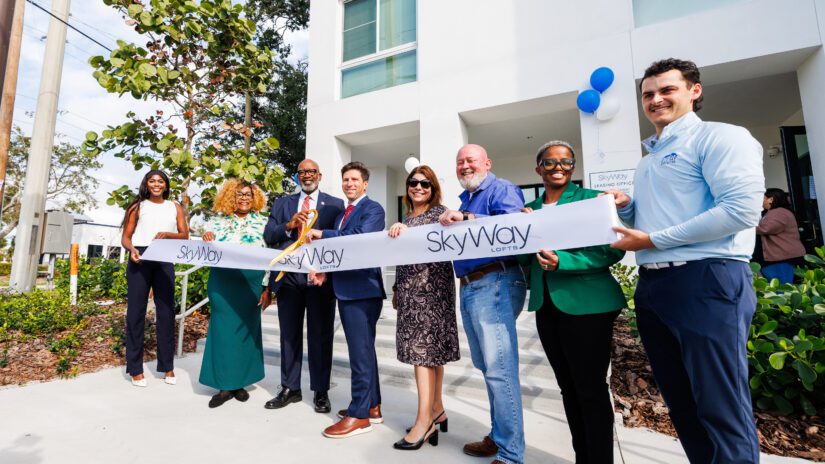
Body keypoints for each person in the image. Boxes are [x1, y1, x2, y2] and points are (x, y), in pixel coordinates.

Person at [606, 58, 764, 463]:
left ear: (694, 91)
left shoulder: (722, 138)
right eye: (648, 94)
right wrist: (627, 210)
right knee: (683, 404)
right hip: (655, 287)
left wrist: (653, 239)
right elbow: (656, 219)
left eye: (666, 90)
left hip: (707, 279)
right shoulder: (649, 159)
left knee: (720, 406)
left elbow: (740, 211)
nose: (655, 99)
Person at [518, 141, 625, 463]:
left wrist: (563, 261)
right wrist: (521, 231)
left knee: (590, 389)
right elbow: (525, 259)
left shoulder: (593, 200)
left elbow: (613, 249)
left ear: (573, 165)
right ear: (539, 169)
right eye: (549, 163)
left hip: (589, 305)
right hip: (547, 306)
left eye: (566, 162)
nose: (558, 167)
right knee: (568, 388)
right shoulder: (530, 208)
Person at [439, 144, 527, 464]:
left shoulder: (501, 189)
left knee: (500, 370)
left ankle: (511, 455)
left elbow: (514, 227)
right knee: (489, 368)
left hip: (497, 280)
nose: (464, 166)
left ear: (486, 163)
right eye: (460, 161)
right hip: (471, 286)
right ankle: (499, 437)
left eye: (471, 160)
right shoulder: (466, 198)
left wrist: (466, 217)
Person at [306, 161, 387, 439]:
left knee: (359, 353)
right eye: (346, 179)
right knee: (364, 350)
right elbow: (340, 254)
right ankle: (372, 406)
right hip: (346, 288)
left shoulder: (373, 209)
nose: (349, 183)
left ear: (365, 184)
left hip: (363, 290)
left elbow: (360, 238)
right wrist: (325, 271)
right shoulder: (342, 214)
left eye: (355, 179)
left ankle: (359, 414)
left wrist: (322, 234)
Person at [262, 159, 344, 413]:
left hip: (319, 279)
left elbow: (340, 241)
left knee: (320, 336)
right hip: (288, 278)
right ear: (297, 177)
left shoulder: (335, 204)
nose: (307, 175)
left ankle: (321, 391)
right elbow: (269, 236)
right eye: (302, 172)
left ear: (320, 175)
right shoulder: (282, 203)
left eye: (311, 171)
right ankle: (290, 388)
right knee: (289, 334)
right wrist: (289, 225)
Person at [387, 165, 459, 451]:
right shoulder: (406, 218)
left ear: (433, 188)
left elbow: (448, 229)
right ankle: (437, 409)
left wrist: (412, 228)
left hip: (432, 293)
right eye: (413, 182)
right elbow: (402, 258)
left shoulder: (438, 214)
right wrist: (395, 289)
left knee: (424, 355)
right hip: (409, 292)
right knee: (431, 356)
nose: (418, 187)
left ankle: (423, 422)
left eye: (425, 184)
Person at [199, 179, 269, 408]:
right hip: (223, 281)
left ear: (254, 197)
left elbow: (271, 256)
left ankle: (240, 382)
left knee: (246, 332)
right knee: (222, 331)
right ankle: (224, 385)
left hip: (251, 283)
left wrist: (267, 287)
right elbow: (208, 249)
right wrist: (207, 237)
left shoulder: (263, 222)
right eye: (239, 194)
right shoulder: (218, 222)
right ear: (231, 197)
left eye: (248, 194)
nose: (244, 198)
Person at [120, 170, 189, 387]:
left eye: (160, 181)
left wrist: (167, 235)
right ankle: (135, 369)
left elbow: (185, 234)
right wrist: (131, 249)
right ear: (146, 184)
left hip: (164, 256)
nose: (156, 184)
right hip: (139, 258)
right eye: (152, 181)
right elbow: (126, 237)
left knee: (166, 313)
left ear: (166, 186)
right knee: (135, 314)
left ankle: (167, 368)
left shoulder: (174, 206)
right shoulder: (137, 206)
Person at [757, 188, 806, 284]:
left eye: (762, 197)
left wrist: (744, 226)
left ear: (771, 199)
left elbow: (766, 228)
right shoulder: (776, 212)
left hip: (782, 260)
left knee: (783, 290)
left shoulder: (778, 212)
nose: (760, 200)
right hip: (782, 258)